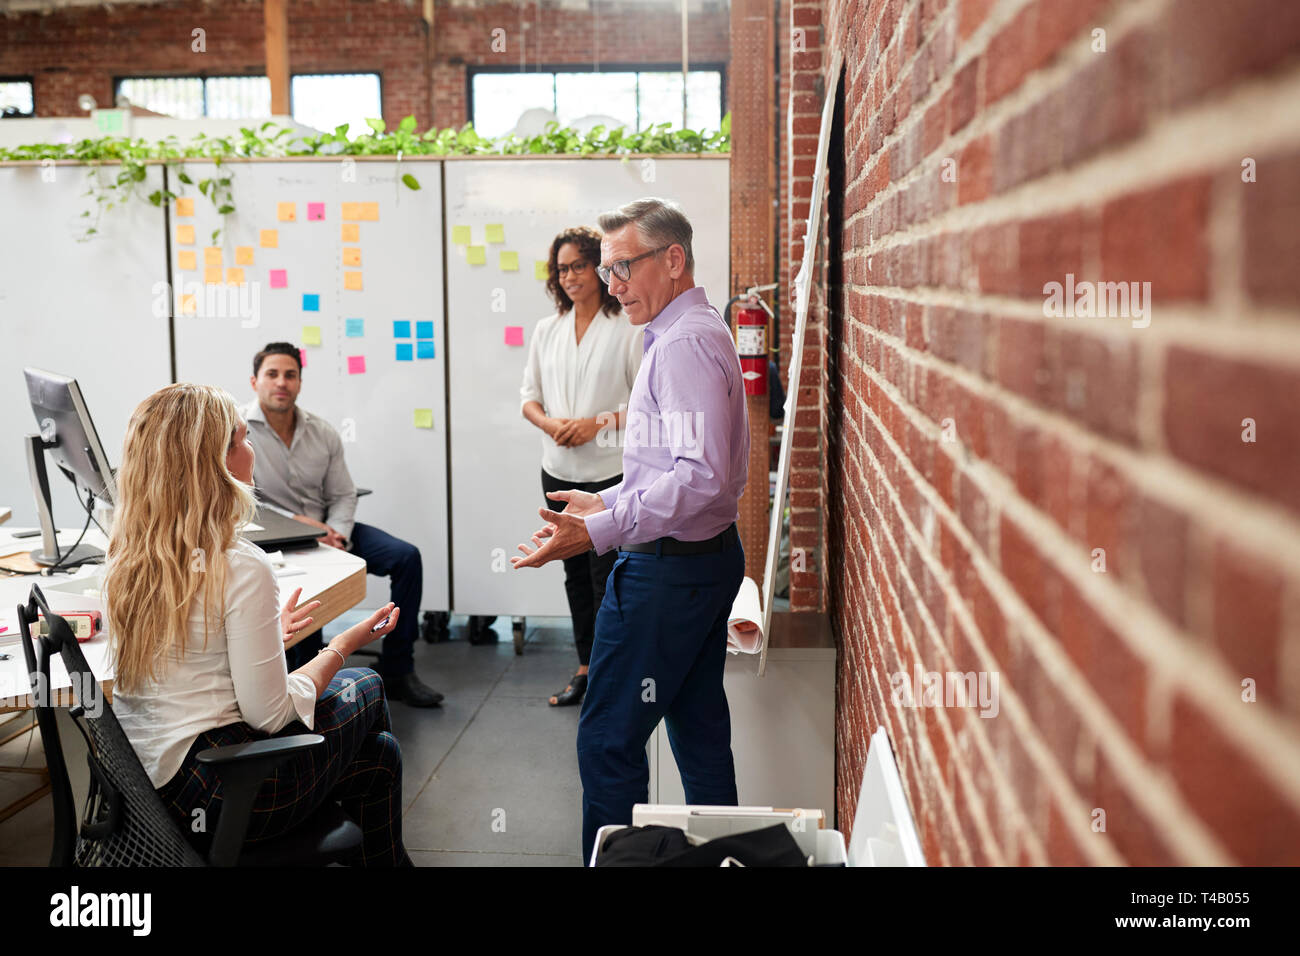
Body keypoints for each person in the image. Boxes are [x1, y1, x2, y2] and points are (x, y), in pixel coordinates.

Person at [512, 198, 749, 861]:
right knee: (699, 732)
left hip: (667, 573)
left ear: (672, 260)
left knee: (608, 740)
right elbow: (677, 468)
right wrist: (605, 500)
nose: (612, 284)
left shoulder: (682, 345)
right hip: (699, 560)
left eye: (622, 267)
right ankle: (721, 855)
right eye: (605, 270)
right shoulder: (694, 330)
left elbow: (698, 477)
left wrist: (603, 527)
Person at [106, 383, 412, 866]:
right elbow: (268, 716)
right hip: (223, 793)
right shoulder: (240, 565)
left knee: (380, 755)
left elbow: (188, 651)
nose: (251, 451)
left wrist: (262, 633)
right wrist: (341, 647)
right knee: (368, 685)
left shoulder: (131, 552)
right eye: (243, 439)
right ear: (219, 463)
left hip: (150, 791)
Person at [243, 342, 443, 708]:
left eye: (290, 374)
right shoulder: (238, 432)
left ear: (300, 382)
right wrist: (303, 524)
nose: (281, 382)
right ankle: (301, 683)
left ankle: (399, 669)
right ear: (255, 381)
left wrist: (337, 533)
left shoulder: (322, 432)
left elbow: (343, 494)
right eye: (272, 374)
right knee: (304, 589)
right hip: (277, 539)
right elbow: (245, 501)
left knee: (406, 557)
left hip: (330, 531)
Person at [520, 225, 643, 707]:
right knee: (573, 573)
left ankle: (617, 672)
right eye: (561, 268)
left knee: (610, 575)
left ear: (599, 267)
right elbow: (528, 398)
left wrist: (597, 424)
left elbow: (645, 405)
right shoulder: (546, 330)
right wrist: (550, 424)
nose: (569, 276)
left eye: (578, 265)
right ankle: (586, 667)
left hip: (610, 473)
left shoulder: (626, 328)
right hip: (557, 468)